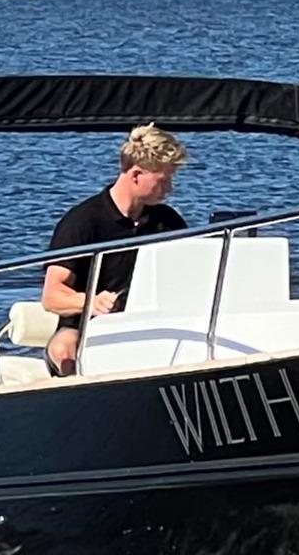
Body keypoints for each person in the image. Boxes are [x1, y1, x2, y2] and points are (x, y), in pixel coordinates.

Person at [40, 124, 189, 374]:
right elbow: (52, 296)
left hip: (151, 324)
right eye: (162, 181)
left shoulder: (169, 221)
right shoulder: (82, 221)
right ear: (135, 175)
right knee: (65, 348)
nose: (169, 190)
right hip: (85, 325)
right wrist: (92, 302)